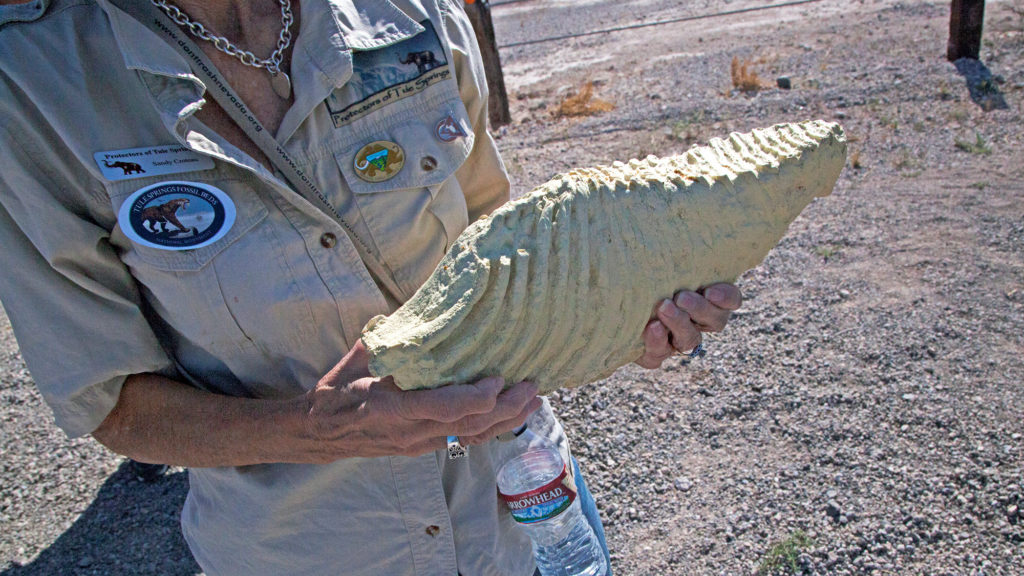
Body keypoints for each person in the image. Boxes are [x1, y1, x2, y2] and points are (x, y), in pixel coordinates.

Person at [0, 0, 741, 574]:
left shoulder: (409, 9)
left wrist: (616, 320)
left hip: (521, 516)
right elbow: (115, 403)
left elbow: (504, 248)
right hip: (313, 553)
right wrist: (320, 429)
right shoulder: (36, 82)